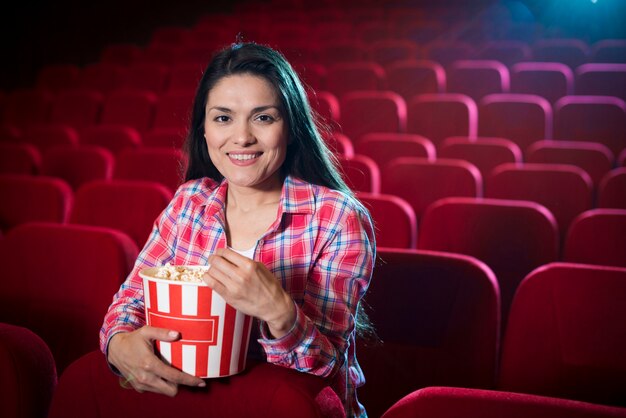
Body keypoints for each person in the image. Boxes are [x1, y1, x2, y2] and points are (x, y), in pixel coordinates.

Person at [100, 42, 376, 418]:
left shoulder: (337, 217)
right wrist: (118, 344)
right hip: (194, 406)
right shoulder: (189, 202)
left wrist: (280, 313)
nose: (242, 137)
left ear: (291, 128)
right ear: (204, 129)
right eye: (223, 118)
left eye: (263, 118)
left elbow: (325, 367)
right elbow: (129, 301)